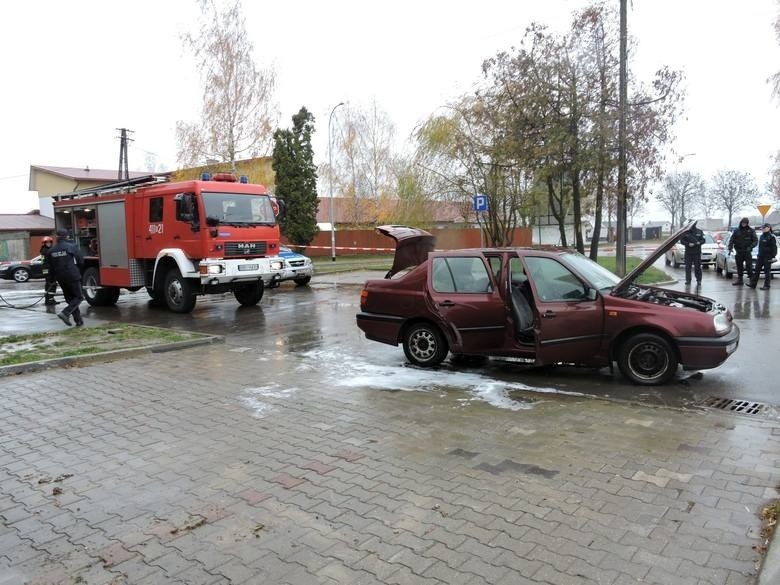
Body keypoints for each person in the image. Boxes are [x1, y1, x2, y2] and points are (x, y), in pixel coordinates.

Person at [43, 229, 85, 326]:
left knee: (70, 299)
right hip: (72, 276)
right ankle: (65, 313)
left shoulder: (51, 251)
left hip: (60, 277)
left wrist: (51, 279)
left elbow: (48, 267)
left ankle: (78, 321)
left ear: (56, 237)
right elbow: (81, 260)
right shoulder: (71, 246)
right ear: (66, 237)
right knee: (78, 297)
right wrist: (78, 271)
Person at [728, 217, 758, 285]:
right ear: (741, 223)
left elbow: (755, 241)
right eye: (742, 223)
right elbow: (732, 240)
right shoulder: (736, 230)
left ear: (747, 223)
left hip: (747, 251)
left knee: (749, 267)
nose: (743, 224)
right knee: (739, 267)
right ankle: (740, 280)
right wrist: (730, 247)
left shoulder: (751, 231)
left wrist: (750, 247)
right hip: (739, 251)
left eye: (745, 223)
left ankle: (751, 280)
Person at [747, 224, 777, 290]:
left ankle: (767, 286)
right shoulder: (762, 236)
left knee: (767, 272)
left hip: (767, 257)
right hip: (760, 256)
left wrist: (773, 256)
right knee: (756, 271)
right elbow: (760, 247)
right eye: (762, 228)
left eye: (764, 228)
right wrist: (758, 254)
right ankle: (753, 284)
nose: (763, 229)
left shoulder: (771, 237)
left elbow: (774, 248)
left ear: (768, 228)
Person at [38, 235, 58, 305]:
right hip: (49, 270)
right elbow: (51, 261)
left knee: (48, 284)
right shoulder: (47, 251)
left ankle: (48, 300)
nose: (49, 244)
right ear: (44, 243)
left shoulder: (43, 250)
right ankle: (50, 300)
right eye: (47, 242)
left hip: (46, 270)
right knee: (52, 284)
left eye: (50, 242)